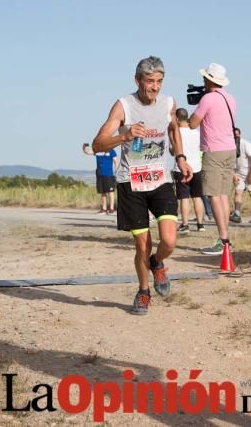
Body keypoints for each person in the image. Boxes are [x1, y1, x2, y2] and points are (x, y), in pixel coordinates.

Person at [92, 56, 192, 315]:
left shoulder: (169, 103)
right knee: (142, 244)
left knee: (169, 241)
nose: (155, 87)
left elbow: (173, 130)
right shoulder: (123, 106)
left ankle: (157, 263)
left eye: (159, 81)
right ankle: (144, 292)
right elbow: (97, 144)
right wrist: (124, 136)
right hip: (131, 181)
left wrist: (180, 157)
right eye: (150, 82)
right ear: (138, 80)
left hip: (159, 178)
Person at [188, 63, 236, 256]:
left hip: (213, 150)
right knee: (223, 195)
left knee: (214, 195)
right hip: (230, 149)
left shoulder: (207, 99)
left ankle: (223, 240)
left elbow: (192, 123)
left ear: (210, 80)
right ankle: (226, 238)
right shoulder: (230, 98)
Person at [170, 108, 205, 234]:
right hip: (197, 167)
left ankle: (185, 224)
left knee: (184, 198)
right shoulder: (196, 132)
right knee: (197, 197)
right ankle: (200, 224)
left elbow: (172, 151)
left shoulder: (176, 132)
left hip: (181, 168)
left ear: (177, 119)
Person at [229, 127, 251, 225]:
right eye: (234, 135)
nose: (235, 137)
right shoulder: (229, 146)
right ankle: (237, 214)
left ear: (240, 134)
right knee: (238, 192)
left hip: (250, 170)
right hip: (238, 172)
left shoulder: (246, 144)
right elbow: (229, 163)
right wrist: (234, 175)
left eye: (237, 135)